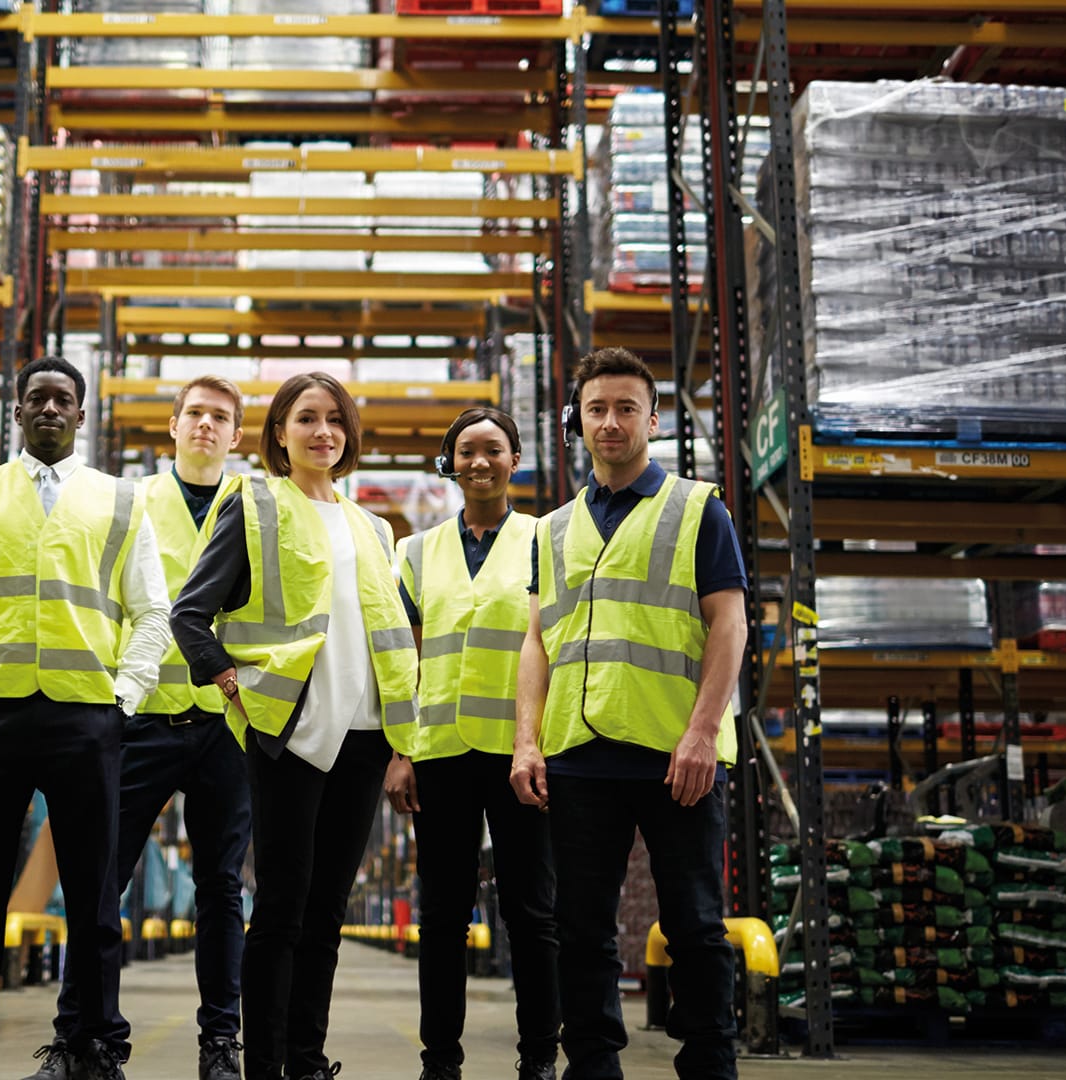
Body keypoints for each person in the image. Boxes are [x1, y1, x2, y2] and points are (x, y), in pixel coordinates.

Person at [0, 355, 173, 1080]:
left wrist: (123, 697)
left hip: (84, 723)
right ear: (17, 411)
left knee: (95, 898)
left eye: (62, 400)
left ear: (80, 413)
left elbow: (151, 610)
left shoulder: (121, 501)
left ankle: (92, 1048)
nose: (49, 409)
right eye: (36, 398)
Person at [172, 371, 420, 1080]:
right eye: (306, 418)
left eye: (335, 419)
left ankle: (306, 1060)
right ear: (279, 433)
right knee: (281, 905)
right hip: (289, 730)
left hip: (367, 737)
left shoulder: (373, 526)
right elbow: (192, 614)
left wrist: (405, 742)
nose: (323, 432)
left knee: (327, 912)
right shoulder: (254, 503)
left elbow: (391, 637)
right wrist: (228, 680)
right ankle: (267, 1067)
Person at [510, 347, 749, 1080]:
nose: (609, 423)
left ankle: (710, 1062)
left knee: (695, 926)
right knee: (581, 930)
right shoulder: (552, 530)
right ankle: (592, 1065)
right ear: (576, 423)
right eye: (595, 409)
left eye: (624, 408)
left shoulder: (696, 509)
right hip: (580, 754)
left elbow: (730, 625)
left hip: (675, 752)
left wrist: (704, 732)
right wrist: (527, 741)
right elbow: (537, 642)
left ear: (653, 418)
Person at [54, 375, 254, 1080]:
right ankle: (82, 1039)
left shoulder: (257, 508)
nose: (205, 425)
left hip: (230, 726)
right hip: (141, 722)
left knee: (221, 891)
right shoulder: (131, 500)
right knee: (100, 879)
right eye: (194, 413)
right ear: (172, 426)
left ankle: (220, 1044)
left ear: (237, 436)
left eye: (220, 417)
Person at [387, 407, 559, 1080]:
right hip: (439, 756)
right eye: (466, 452)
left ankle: (539, 1056)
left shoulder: (548, 540)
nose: (480, 462)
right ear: (448, 464)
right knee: (442, 917)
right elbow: (401, 657)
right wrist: (400, 752)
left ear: (516, 460)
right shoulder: (416, 552)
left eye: (493, 450)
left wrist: (540, 746)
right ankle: (440, 1061)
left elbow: (554, 646)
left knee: (530, 912)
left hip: (522, 755)